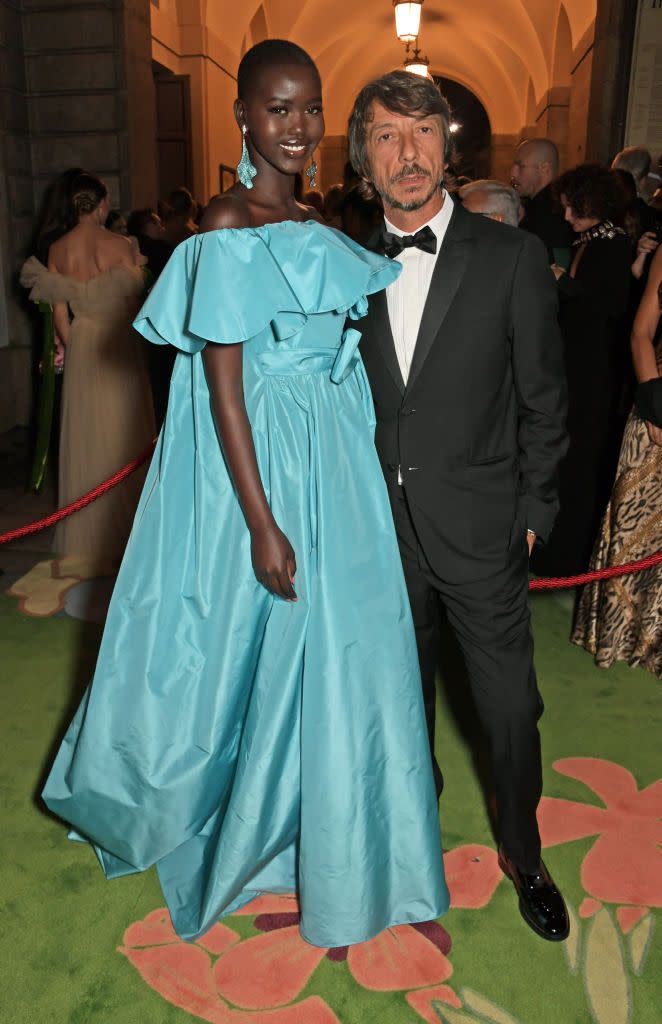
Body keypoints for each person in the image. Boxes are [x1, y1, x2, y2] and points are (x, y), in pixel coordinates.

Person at [40, 40, 448, 949]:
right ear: (243, 118)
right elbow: (222, 386)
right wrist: (261, 522)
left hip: (333, 460)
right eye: (277, 109)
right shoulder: (225, 222)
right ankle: (255, 825)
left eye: (308, 109)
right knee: (264, 645)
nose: (296, 128)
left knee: (344, 650)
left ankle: (339, 834)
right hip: (270, 464)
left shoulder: (309, 214)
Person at [348, 71, 569, 942]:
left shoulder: (511, 257)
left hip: (483, 528)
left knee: (510, 707)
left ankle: (525, 851)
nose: (408, 154)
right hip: (378, 534)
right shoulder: (346, 266)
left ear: (450, 143)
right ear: (365, 157)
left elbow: (545, 402)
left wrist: (533, 512)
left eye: (422, 132)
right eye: (387, 136)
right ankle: (411, 827)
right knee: (396, 698)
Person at [20, 173, 155, 575]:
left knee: (86, 437)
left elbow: (60, 314)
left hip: (82, 345)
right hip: (119, 346)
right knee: (124, 436)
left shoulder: (57, 249)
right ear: (101, 203)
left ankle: (87, 534)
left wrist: (76, 347)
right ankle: (133, 531)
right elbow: (135, 309)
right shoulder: (122, 245)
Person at [533, 164, 634, 578]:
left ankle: (569, 557)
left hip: (596, 374)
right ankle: (556, 551)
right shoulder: (589, 243)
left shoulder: (613, 247)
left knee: (581, 464)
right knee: (565, 460)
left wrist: (561, 282)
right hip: (575, 368)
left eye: (573, 207)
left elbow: (608, 308)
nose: (567, 216)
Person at [572, 244, 662, 677]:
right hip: (657, 395)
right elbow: (641, 331)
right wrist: (653, 399)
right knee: (632, 517)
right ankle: (626, 634)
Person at [511, 138, 573, 261]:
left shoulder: (553, 210)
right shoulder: (535, 205)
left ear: (544, 168)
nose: (513, 173)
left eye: (520, 166)